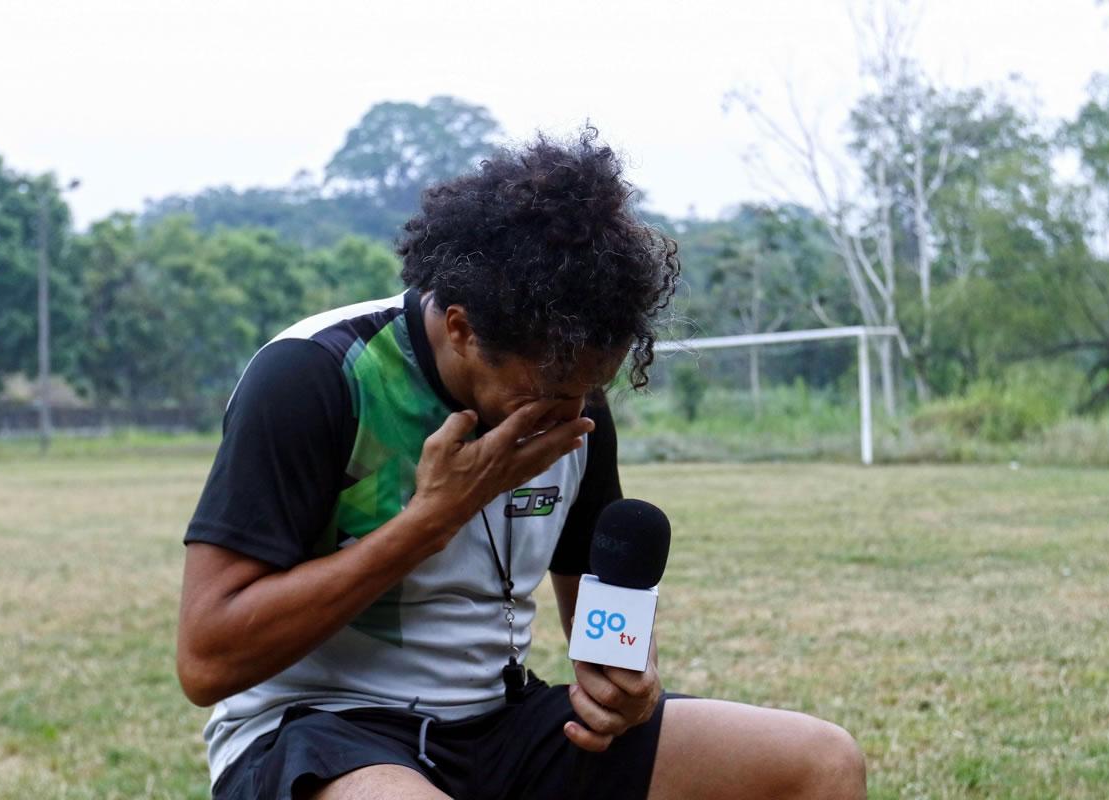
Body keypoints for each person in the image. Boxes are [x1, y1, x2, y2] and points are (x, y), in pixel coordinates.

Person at [177, 129, 866, 800]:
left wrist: (629, 678)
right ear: (461, 329)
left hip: (499, 725)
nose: (569, 416)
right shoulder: (316, 376)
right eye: (546, 394)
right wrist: (428, 521)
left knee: (820, 764)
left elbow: (598, 610)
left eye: (588, 389)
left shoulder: (574, 398)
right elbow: (206, 661)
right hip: (319, 734)